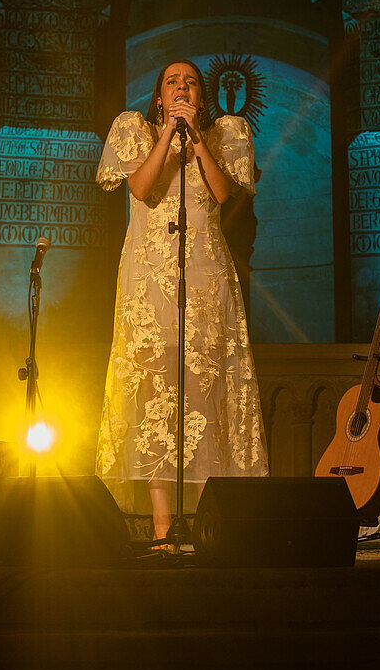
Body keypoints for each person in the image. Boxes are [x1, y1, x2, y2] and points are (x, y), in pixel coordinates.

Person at [95, 58, 268, 543]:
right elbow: (142, 189)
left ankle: (210, 520)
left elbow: (219, 192)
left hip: (206, 276)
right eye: (172, 81)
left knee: (204, 389)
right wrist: (167, 137)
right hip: (148, 281)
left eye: (191, 82)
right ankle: (162, 524)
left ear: (202, 97)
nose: (182, 88)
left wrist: (193, 138)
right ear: (158, 95)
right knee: (155, 395)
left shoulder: (224, 134)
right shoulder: (135, 129)